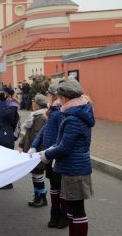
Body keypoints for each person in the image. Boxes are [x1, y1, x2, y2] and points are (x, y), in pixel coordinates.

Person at [37, 79, 95, 236]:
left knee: (77, 212)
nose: (58, 100)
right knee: (72, 210)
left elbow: (64, 147)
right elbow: (61, 143)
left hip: (74, 170)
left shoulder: (73, 118)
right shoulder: (73, 114)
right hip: (72, 168)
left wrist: (46, 154)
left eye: (59, 96)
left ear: (65, 98)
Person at [30, 83, 67, 229]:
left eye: (48, 94)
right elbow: (43, 131)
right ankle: (54, 214)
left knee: (60, 188)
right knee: (54, 187)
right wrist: (34, 145)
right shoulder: (52, 111)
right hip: (49, 156)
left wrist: (52, 151)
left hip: (57, 156)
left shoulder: (61, 112)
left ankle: (62, 217)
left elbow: (62, 136)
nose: (47, 97)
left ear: (54, 95)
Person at [18, 93, 48, 207]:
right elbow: (27, 133)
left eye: (33, 101)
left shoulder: (40, 117)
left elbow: (37, 136)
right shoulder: (35, 116)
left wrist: (32, 149)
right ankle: (37, 196)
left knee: (38, 175)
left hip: (37, 151)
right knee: (35, 174)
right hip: (32, 149)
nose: (32, 103)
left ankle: (42, 198)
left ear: (38, 104)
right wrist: (21, 144)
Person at [0, 87, 19, 189]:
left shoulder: (13, 106)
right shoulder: (0, 104)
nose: (1, 94)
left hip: (6, 135)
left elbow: (5, 116)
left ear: (9, 95)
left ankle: (7, 182)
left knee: (6, 160)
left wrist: (2, 102)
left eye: (3, 93)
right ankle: (1, 181)